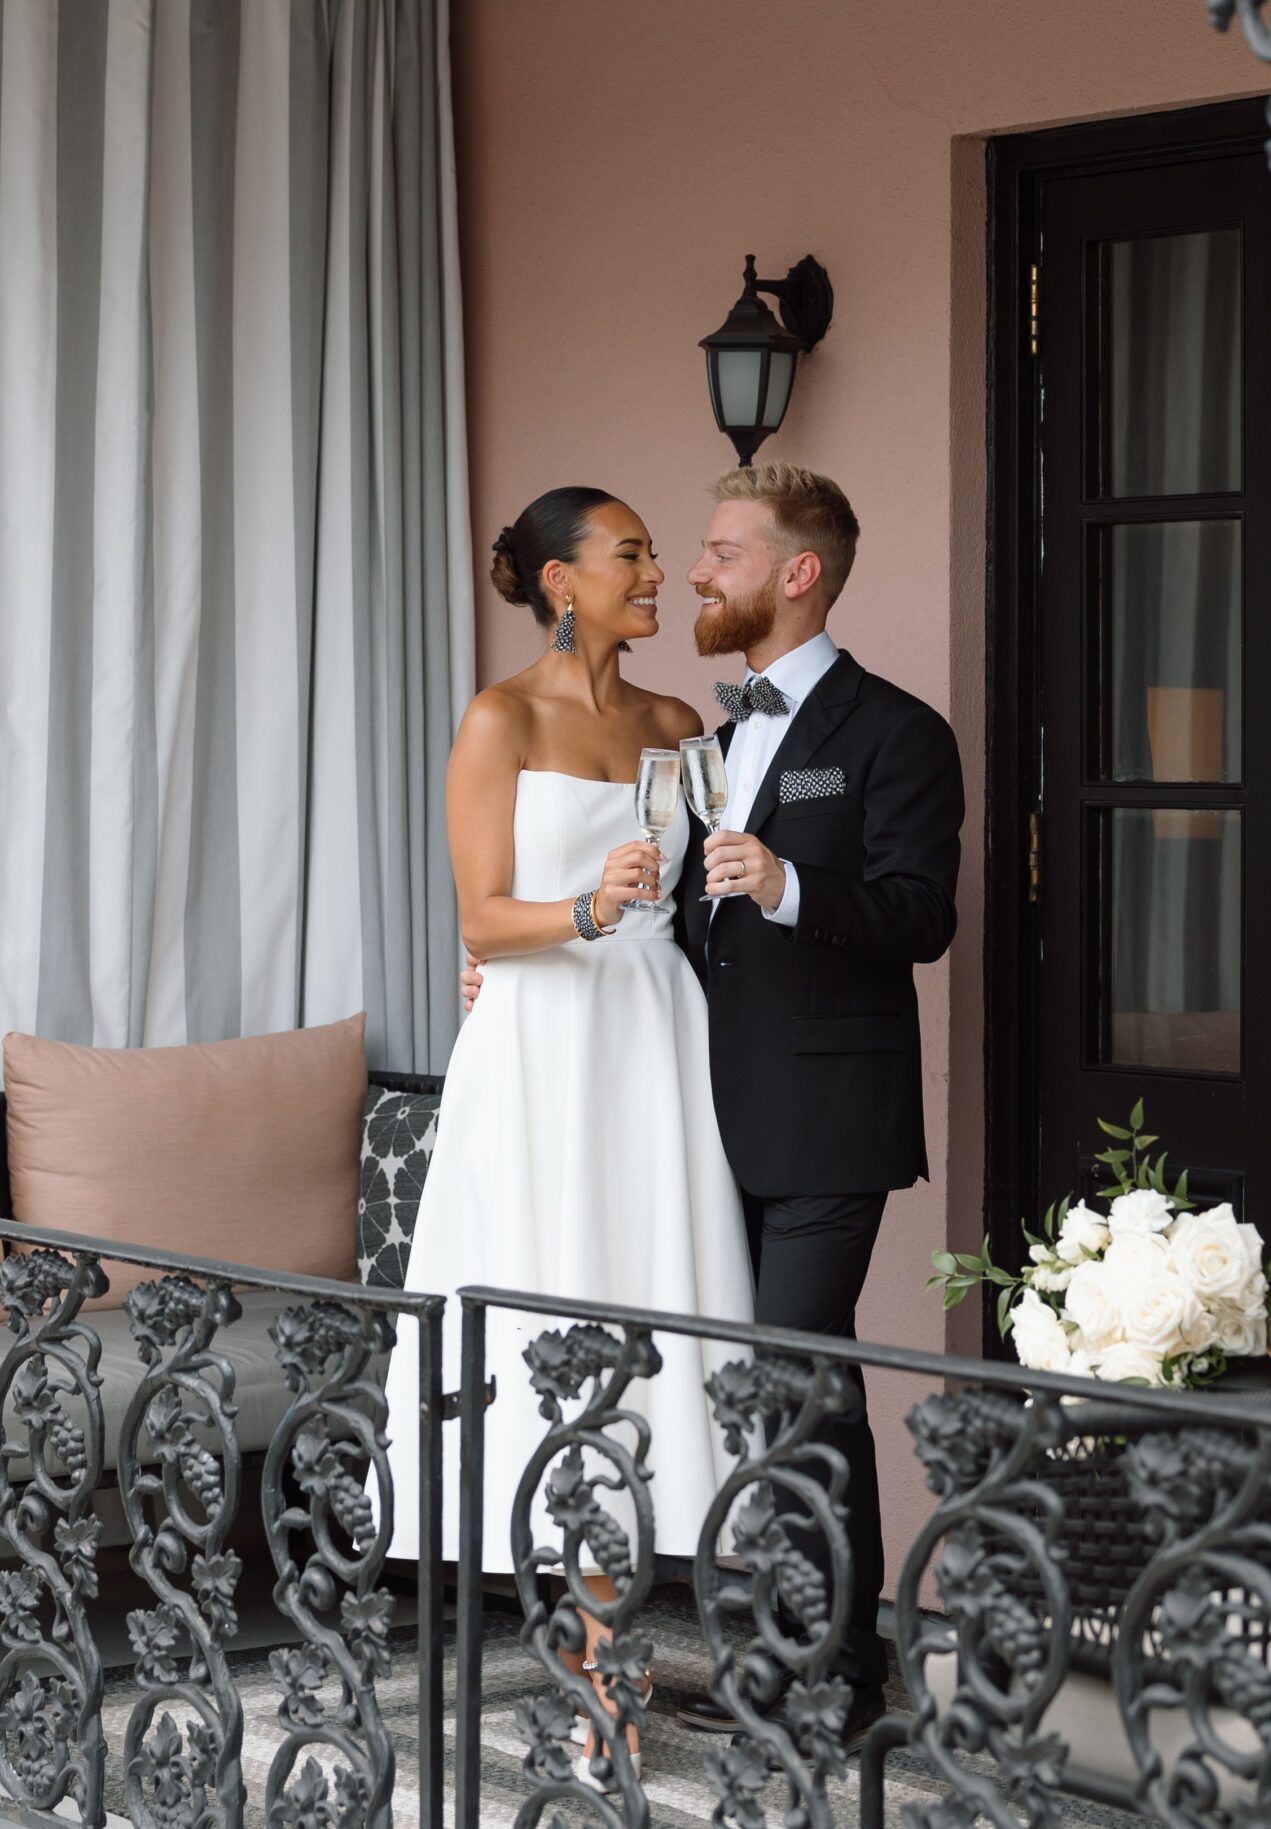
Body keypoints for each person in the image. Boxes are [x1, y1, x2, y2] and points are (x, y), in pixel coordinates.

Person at [460, 464, 963, 1752]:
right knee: (710, 1379)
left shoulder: (896, 733)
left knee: (792, 1381)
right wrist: (532, 956)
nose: (689, 570)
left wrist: (792, 881)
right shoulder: (702, 730)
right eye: (667, 550)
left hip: (819, 1121)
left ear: (794, 573)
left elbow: (921, 914)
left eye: (717, 550)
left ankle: (832, 1674)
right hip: (673, 1106)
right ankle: (730, 1652)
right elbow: (652, 901)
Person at [382, 485, 756, 1767]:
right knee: (552, 1308)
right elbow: (482, 919)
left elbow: (716, 890)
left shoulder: (674, 721)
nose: (655, 571)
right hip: (544, 1050)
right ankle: (590, 1659)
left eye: (657, 552)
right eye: (630, 554)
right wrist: (585, 912)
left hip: (655, 1038)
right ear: (558, 580)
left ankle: (613, 1653)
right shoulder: (499, 718)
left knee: (649, 1308)